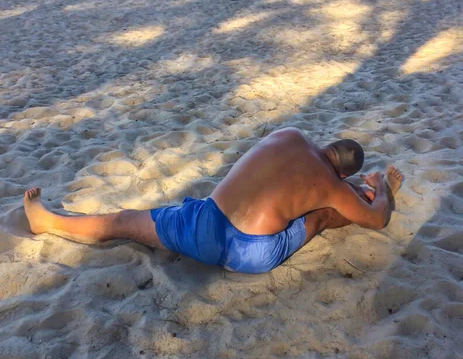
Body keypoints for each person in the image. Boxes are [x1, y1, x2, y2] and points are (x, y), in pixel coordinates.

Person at [24, 127, 403, 274]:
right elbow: (376, 220)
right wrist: (380, 189)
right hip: (250, 253)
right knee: (322, 214)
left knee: (125, 221)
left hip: (207, 223)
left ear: (328, 145)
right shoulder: (331, 187)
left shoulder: (289, 135)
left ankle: (47, 221)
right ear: (343, 174)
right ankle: (362, 192)